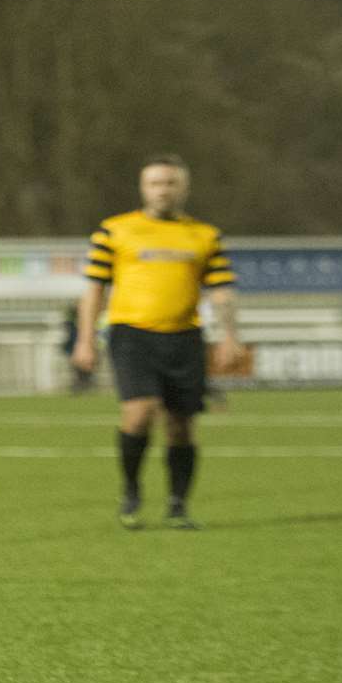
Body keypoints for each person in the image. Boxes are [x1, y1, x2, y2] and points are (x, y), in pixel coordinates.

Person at [71, 154, 242, 531]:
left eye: (170, 183)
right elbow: (93, 290)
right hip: (132, 334)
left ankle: (178, 505)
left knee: (181, 425)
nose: (163, 190)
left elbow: (222, 291)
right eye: (155, 183)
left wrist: (230, 337)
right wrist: (85, 340)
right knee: (140, 412)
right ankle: (132, 490)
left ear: (184, 187)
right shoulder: (115, 231)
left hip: (185, 337)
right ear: (143, 187)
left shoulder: (205, 235)